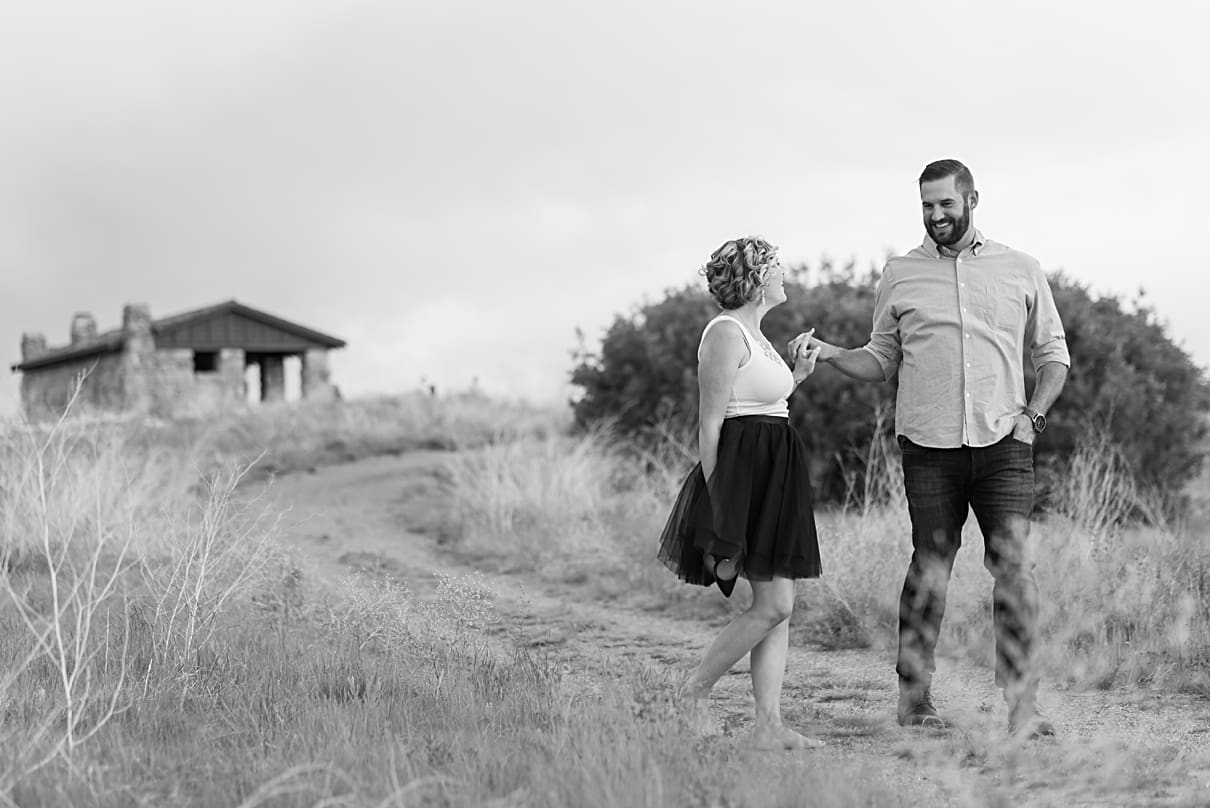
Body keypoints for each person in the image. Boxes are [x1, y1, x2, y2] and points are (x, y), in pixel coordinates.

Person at [793, 159, 1069, 740]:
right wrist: (835, 354)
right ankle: (915, 701)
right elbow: (881, 359)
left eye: (946, 203)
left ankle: (1022, 708)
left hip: (1004, 444)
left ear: (972, 199)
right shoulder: (899, 274)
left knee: (1015, 572)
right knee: (931, 569)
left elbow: (1053, 355)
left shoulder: (1021, 269)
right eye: (926, 206)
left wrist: (1032, 419)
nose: (936, 215)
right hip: (929, 447)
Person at [657, 236, 825, 750]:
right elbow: (711, 425)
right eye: (775, 265)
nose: (783, 272)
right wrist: (719, 500)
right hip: (743, 475)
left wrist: (796, 375)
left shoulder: (757, 334)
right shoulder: (725, 334)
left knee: (781, 603)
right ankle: (692, 693)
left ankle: (768, 726)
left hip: (775, 470)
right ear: (755, 279)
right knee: (773, 604)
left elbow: (763, 401)